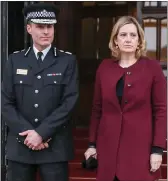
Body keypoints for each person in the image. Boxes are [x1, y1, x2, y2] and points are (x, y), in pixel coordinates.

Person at [2, 2, 79, 181]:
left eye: (50, 26)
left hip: (54, 147)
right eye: (40, 26)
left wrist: (42, 133)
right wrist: (29, 135)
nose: (46, 31)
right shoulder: (15, 60)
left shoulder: (67, 61)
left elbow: (70, 102)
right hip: (21, 147)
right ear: (29, 28)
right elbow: (6, 102)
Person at [84, 16, 166, 181]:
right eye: (123, 35)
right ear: (115, 40)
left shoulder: (152, 68)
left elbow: (161, 110)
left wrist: (157, 149)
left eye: (133, 35)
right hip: (107, 147)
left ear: (139, 40)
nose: (128, 39)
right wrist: (92, 144)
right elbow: (97, 109)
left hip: (140, 148)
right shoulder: (105, 68)